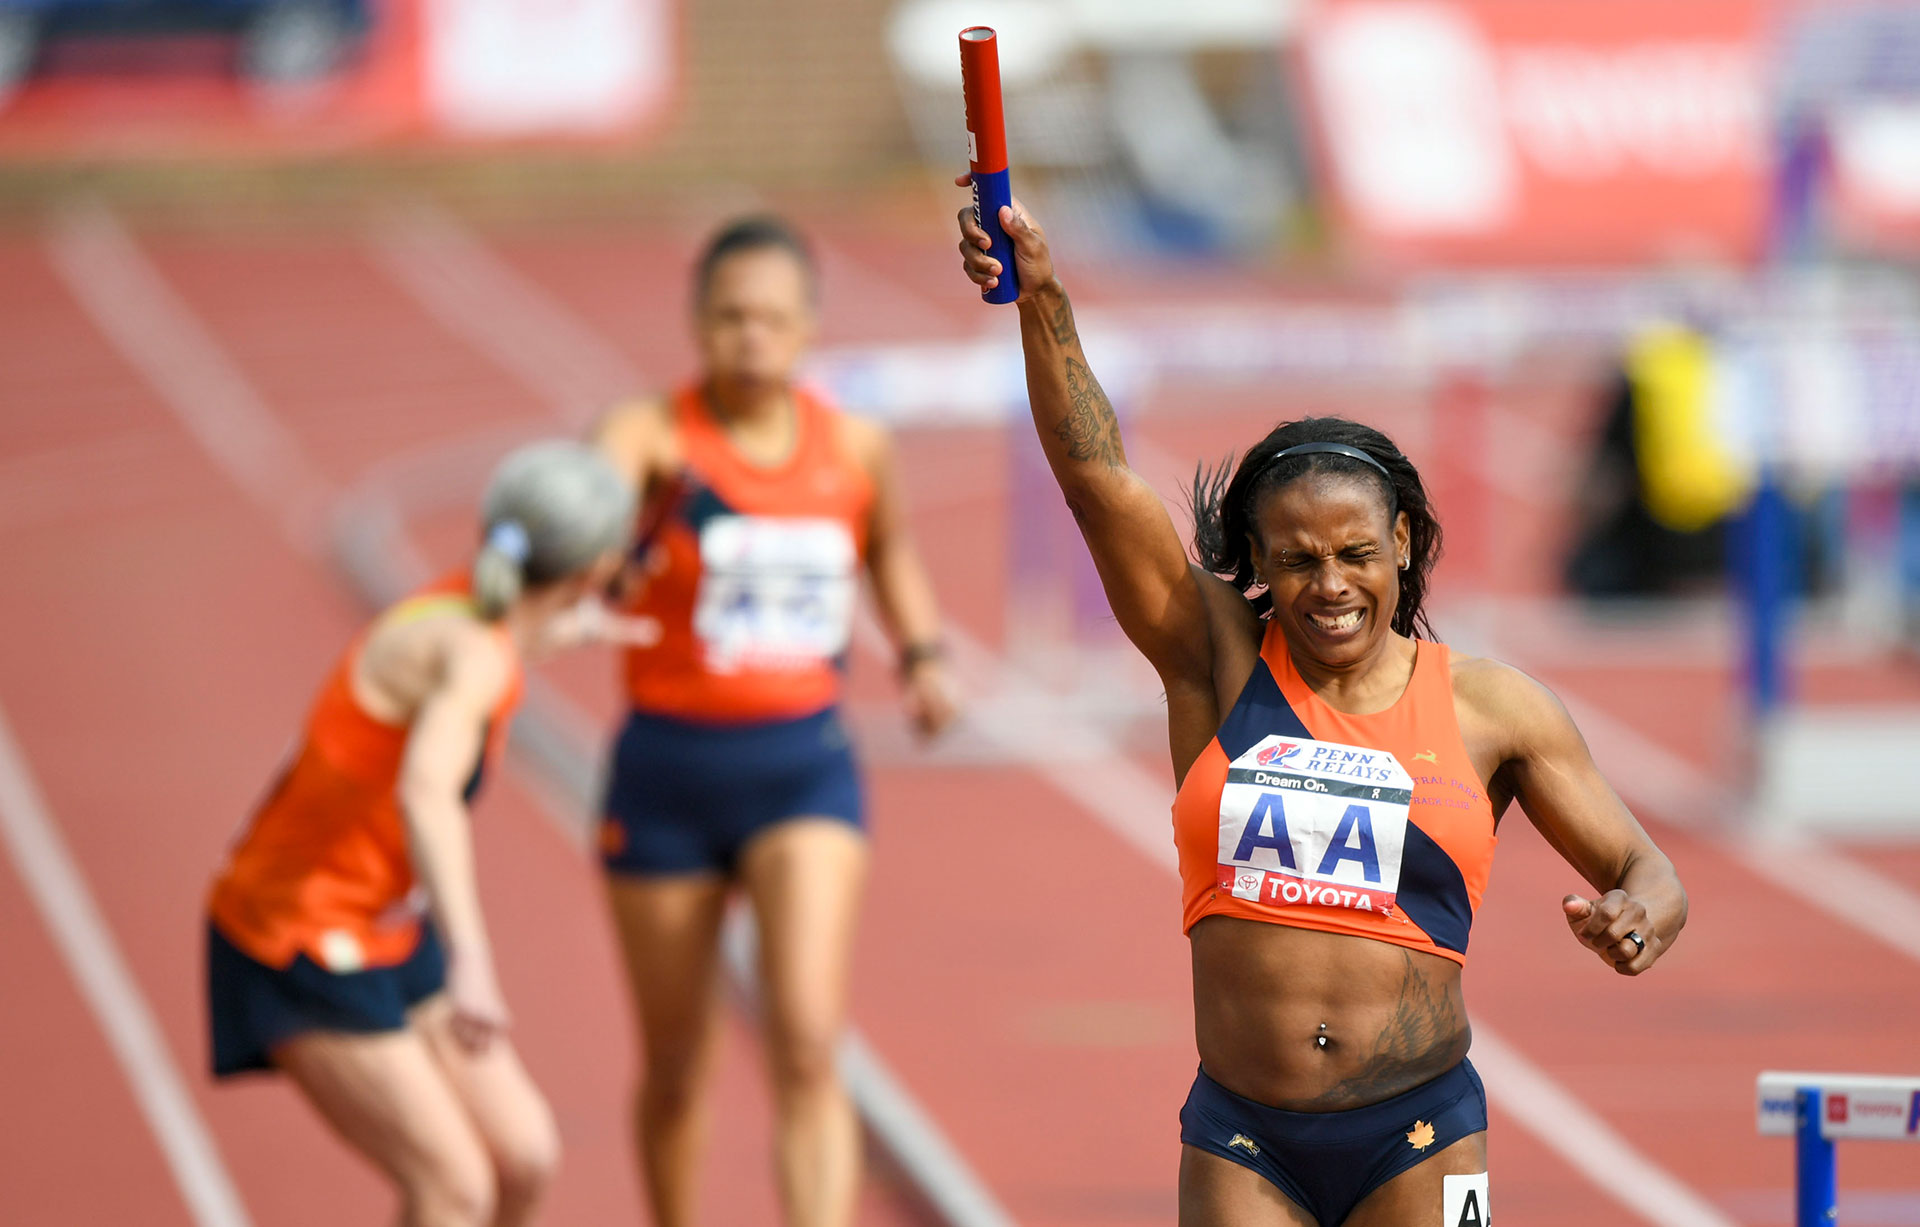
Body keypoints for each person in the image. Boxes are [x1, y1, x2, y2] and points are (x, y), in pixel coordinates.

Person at [954, 189, 1688, 1226]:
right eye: (1296, 560)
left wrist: (1637, 917)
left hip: (1422, 1130)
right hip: (1245, 1135)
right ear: (1254, 562)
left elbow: (1647, 871)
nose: (1329, 585)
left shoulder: (1494, 709)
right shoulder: (1213, 661)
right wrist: (1046, 301)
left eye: (1354, 554)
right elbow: (1095, 478)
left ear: (1404, 545)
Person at [592, 215, 957, 1227]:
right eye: (728, 317)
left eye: (770, 319)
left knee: (805, 1039)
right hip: (666, 774)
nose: (749, 337)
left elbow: (890, 551)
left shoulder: (855, 447)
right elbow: (587, 500)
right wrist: (606, 530)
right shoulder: (651, 436)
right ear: (697, 323)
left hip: (802, 769)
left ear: (806, 330)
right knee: (674, 1065)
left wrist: (921, 654)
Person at [206, 441, 640, 1227]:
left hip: (389, 926)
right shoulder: (475, 657)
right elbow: (427, 792)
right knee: (455, 1187)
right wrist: (473, 957)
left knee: (525, 1156)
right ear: (601, 564)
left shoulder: (466, 608)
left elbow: (499, 640)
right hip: (299, 932)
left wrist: (572, 624)